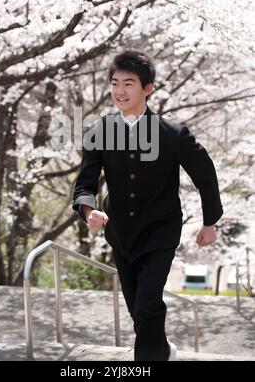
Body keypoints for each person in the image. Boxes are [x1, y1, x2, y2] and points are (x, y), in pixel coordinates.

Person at [72, 49, 223, 361]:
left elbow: (205, 175)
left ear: (148, 88)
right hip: (121, 233)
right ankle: (164, 351)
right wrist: (90, 211)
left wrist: (209, 222)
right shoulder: (100, 131)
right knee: (139, 310)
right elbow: (84, 184)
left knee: (145, 305)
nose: (119, 91)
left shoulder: (173, 134)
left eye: (129, 84)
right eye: (114, 83)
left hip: (160, 233)